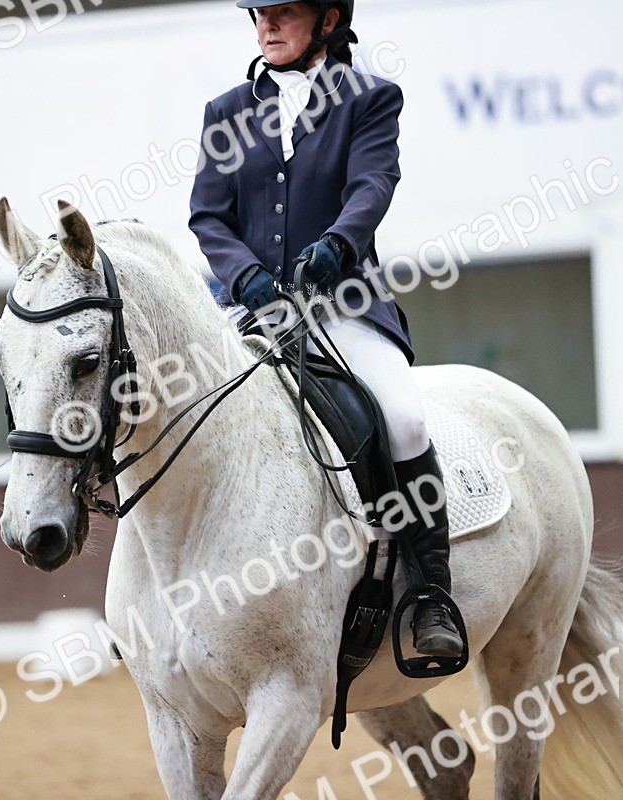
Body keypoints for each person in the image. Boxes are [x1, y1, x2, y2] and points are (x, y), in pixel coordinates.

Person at [188, 0, 464, 659]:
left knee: (403, 420)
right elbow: (208, 216)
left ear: (329, 19)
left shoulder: (369, 99)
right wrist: (245, 275)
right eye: (259, 14)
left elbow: (373, 184)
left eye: (283, 13)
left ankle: (430, 595)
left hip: (343, 303)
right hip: (251, 314)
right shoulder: (226, 112)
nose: (266, 27)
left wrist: (338, 246)